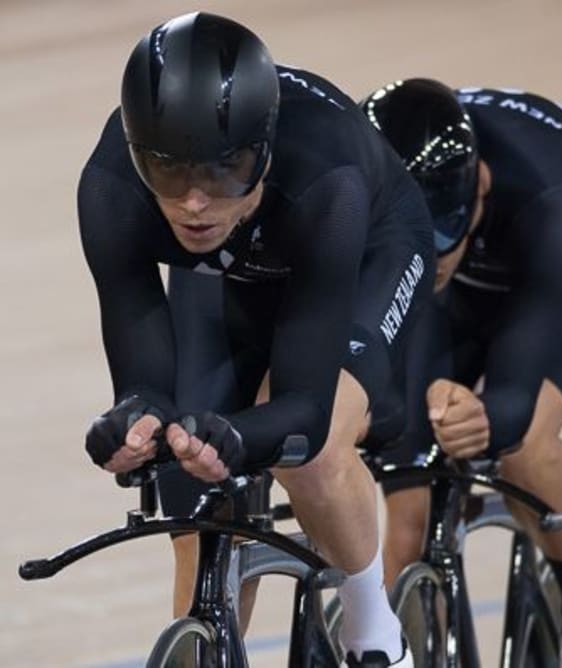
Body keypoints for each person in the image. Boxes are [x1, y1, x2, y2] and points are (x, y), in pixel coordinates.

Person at [77, 12, 432, 667]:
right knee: (191, 484)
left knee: (313, 453)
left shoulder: (329, 182)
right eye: (169, 174)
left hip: (364, 256)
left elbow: (302, 405)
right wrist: (133, 421)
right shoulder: (111, 190)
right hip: (236, 265)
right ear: (138, 156)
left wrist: (246, 436)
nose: (193, 204)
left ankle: (375, 632)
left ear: (263, 152)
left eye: (222, 172)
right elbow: (144, 372)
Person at [363, 78, 562, 667]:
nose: (428, 256)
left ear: (481, 188)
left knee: (523, 441)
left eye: (441, 237)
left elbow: (509, 399)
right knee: (409, 504)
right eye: (414, 241)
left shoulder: (551, 190)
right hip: (461, 292)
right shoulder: (377, 182)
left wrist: (481, 415)